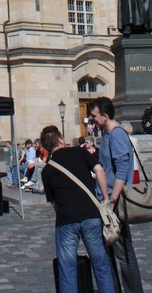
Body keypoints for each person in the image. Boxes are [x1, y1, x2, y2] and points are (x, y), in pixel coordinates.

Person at [42, 124, 116, 293]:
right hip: (91, 214)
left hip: (66, 219)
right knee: (101, 265)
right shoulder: (79, 152)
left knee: (67, 268)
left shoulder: (47, 170)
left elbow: (54, 203)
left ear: (47, 147)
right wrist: (105, 198)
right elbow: (99, 169)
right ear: (61, 139)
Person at [88, 97, 145, 293]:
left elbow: (122, 170)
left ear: (105, 115)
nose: (91, 119)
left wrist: (112, 200)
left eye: (94, 115)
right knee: (109, 249)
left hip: (115, 201)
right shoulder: (107, 134)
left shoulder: (117, 134)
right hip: (108, 200)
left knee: (123, 251)